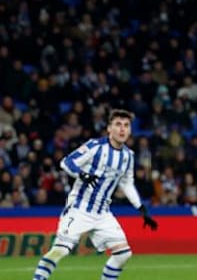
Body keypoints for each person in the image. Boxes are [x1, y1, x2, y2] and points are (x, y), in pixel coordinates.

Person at [31, 109, 158, 280]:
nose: (122, 129)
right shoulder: (95, 146)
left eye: (126, 125)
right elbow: (67, 162)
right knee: (60, 250)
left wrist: (141, 209)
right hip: (79, 208)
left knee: (123, 254)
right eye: (118, 124)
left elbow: (127, 183)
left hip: (102, 213)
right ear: (109, 128)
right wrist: (82, 174)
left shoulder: (128, 156)